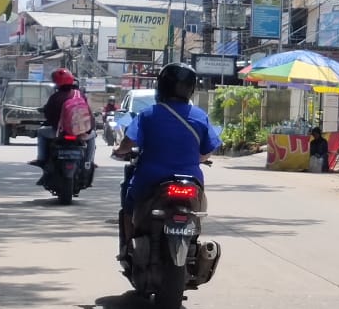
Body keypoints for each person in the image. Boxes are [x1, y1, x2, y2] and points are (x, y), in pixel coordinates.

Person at [112, 64, 221, 252]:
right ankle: (193, 242)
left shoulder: (148, 115)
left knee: (129, 202)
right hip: (191, 181)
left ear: (161, 87)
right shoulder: (200, 116)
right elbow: (207, 151)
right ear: (191, 89)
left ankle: (128, 247)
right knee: (196, 212)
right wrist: (197, 159)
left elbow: (127, 144)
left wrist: (119, 150)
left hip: (150, 178)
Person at [29, 68, 94, 168]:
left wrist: (53, 123)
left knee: (41, 132)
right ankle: (89, 162)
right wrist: (89, 129)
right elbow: (89, 114)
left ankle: (41, 159)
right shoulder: (80, 95)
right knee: (92, 136)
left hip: (59, 132)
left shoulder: (55, 97)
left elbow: (48, 114)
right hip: (80, 133)